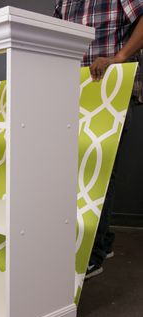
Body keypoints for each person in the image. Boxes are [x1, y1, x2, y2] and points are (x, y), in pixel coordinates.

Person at [54, 0, 143, 278]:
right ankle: (102, 242)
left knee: (99, 169)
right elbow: (54, 34)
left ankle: (90, 255)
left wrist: (118, 58)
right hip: (75, 87)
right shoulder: (63, 1)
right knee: (77, 169)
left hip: (111, 86)